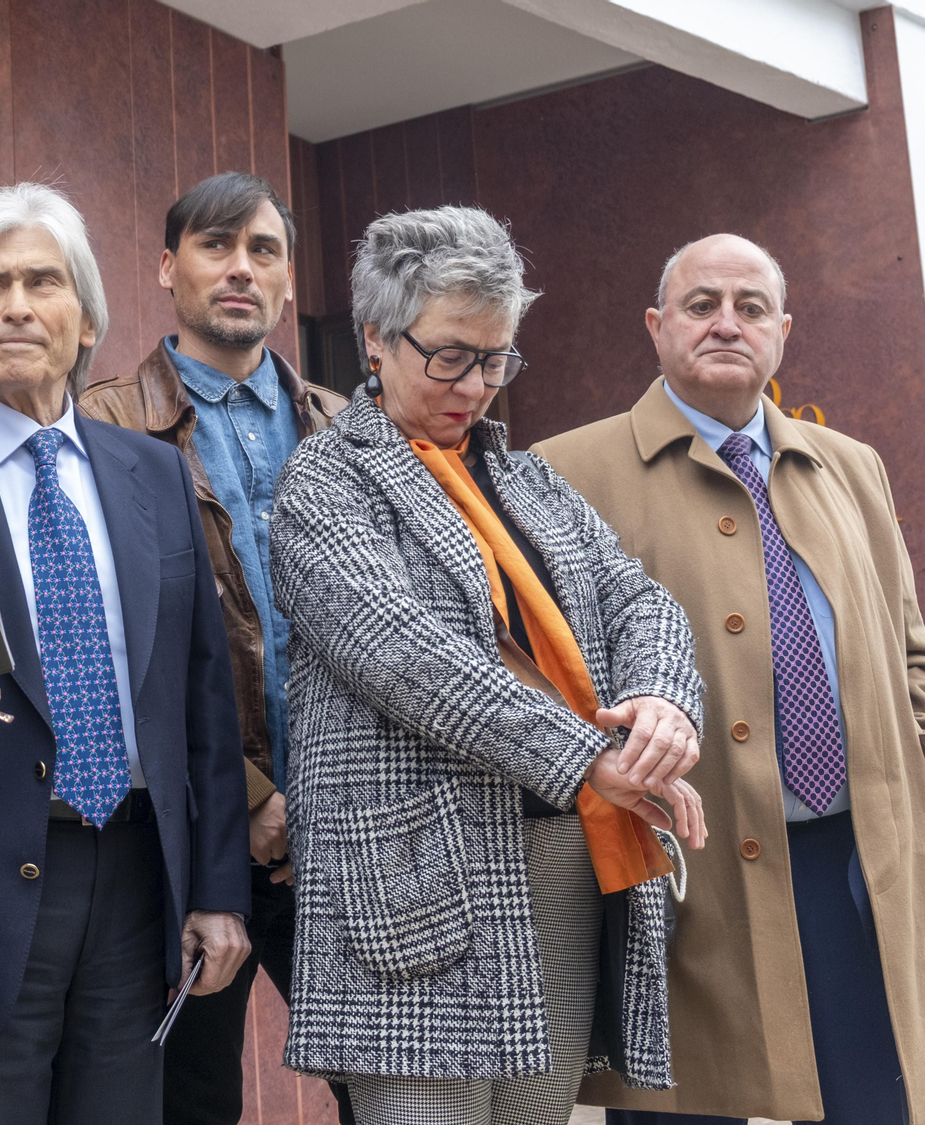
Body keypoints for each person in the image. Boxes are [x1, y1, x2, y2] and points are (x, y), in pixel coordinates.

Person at [267, 206, 709, 1125]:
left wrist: (663, 701)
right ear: (376, 341)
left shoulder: (525, 477)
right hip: (414, 876)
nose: (478, 384)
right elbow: (412, 655)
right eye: (452, 355)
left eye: (498, 357)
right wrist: (596, 757)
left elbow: (640, 600)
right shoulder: (323, 480)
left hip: (557, 860)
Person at [534, 233, 925, 1125]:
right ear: (657, 327)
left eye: (751, 307)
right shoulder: (563, 471)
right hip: (680, 869)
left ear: (782, 333)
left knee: (869, 1103)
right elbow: (541, 674)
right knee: (685, 1108)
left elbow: (912, 647)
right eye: (701, 305)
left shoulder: (852, 463)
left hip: (855, 857)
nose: (726, 323)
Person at [0, 182, 253, 1125]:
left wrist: (216, 889)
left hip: (134, 886)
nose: (17, 306)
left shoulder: (152, 474)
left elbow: (203, 701)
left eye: (44, 281)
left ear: (87, 322)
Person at [78, 171, 352, 1125]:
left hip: (348, 831)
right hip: (196, 838)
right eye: (215, 245)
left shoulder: (349, 429)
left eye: (263, 250)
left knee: (394, 1092)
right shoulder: (103, 427)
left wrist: (310, 797)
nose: (240, 269)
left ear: (286, 280)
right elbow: (108, 640)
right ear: (166, 267)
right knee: (191, 1097)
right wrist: (247, 796)